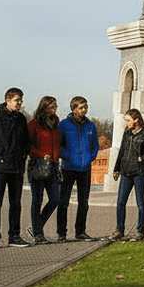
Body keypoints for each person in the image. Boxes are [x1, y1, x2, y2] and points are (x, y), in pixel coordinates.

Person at [0, 87, 30, 248]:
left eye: (21, 100)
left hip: (17, 168)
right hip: (0, 169)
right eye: (17, 100)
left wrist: (23, 155)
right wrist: (1, 152)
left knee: (16, 203)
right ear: (8, 100)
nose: (20, 103)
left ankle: (14, 236)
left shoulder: (21, 119)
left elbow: (26, 142)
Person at [111, 109, 144, 241]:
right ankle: (119, 230)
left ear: (136, 120)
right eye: (125, 120)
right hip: (126, 172)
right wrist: (116, 169)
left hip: (140, 173)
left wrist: (142, 159)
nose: (126, 123)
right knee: (121, 202)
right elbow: (121, 151)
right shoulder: (126, 133)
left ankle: (140, 231)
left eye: (128, 120)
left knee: (140, 202)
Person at [57, 96, 99, 242]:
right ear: (74, 108)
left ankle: (80, 231)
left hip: (85, 169)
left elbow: (95, 145)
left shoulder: (90, 126)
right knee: (64, 202)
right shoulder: (63, 125)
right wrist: (67, 156)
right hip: (69, 168)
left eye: (86, 107)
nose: (84, 110)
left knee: (84, 202)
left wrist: (90, 157)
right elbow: (58, 145)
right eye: (81, 107)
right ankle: (61, 233)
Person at [26, 96, 61, 245]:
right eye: (52, 106)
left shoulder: (55, 124)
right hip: (38, 165)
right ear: (44, 107)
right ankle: (38, 234)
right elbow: (28, 145)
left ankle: (35, 227)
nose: (55, 109)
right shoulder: (34, 124)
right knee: (37, 200)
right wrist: (41, 154)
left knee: (55, 199)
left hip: (52, 166)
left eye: (56, 106)